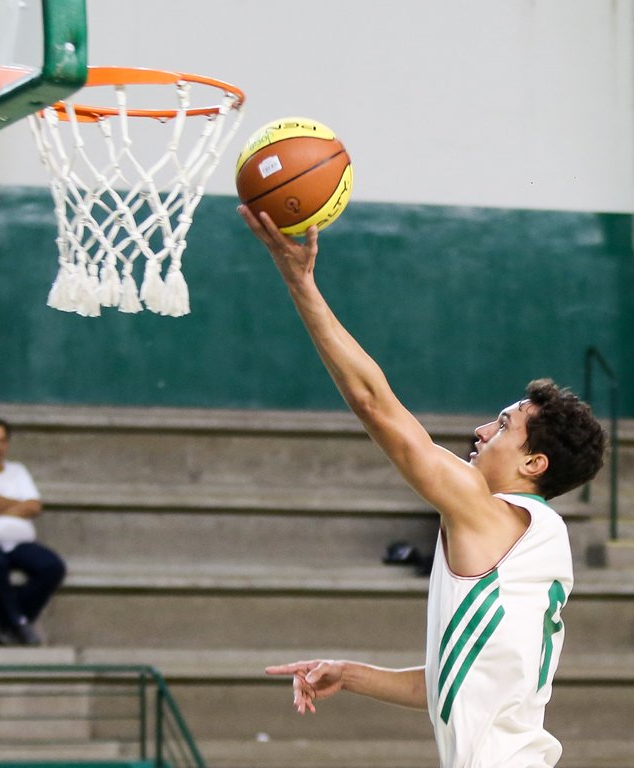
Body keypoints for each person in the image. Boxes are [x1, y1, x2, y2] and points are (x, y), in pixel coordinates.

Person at [237, 206, 606, 768]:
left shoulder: (490, 514)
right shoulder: (540, 543)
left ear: (534, 462)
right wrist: (351, 674)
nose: (482, 430)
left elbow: (374, 404)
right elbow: (457, 686)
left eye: (503, 425)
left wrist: (299, 281)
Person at [0, 418, 66, 645]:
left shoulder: (17, 471)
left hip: (19, 542)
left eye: (2, 441)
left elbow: (35, 506)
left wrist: (2, 506)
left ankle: (9, 624)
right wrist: (19, 505)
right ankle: (18, 624)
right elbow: (26, 505)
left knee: (52, 567)